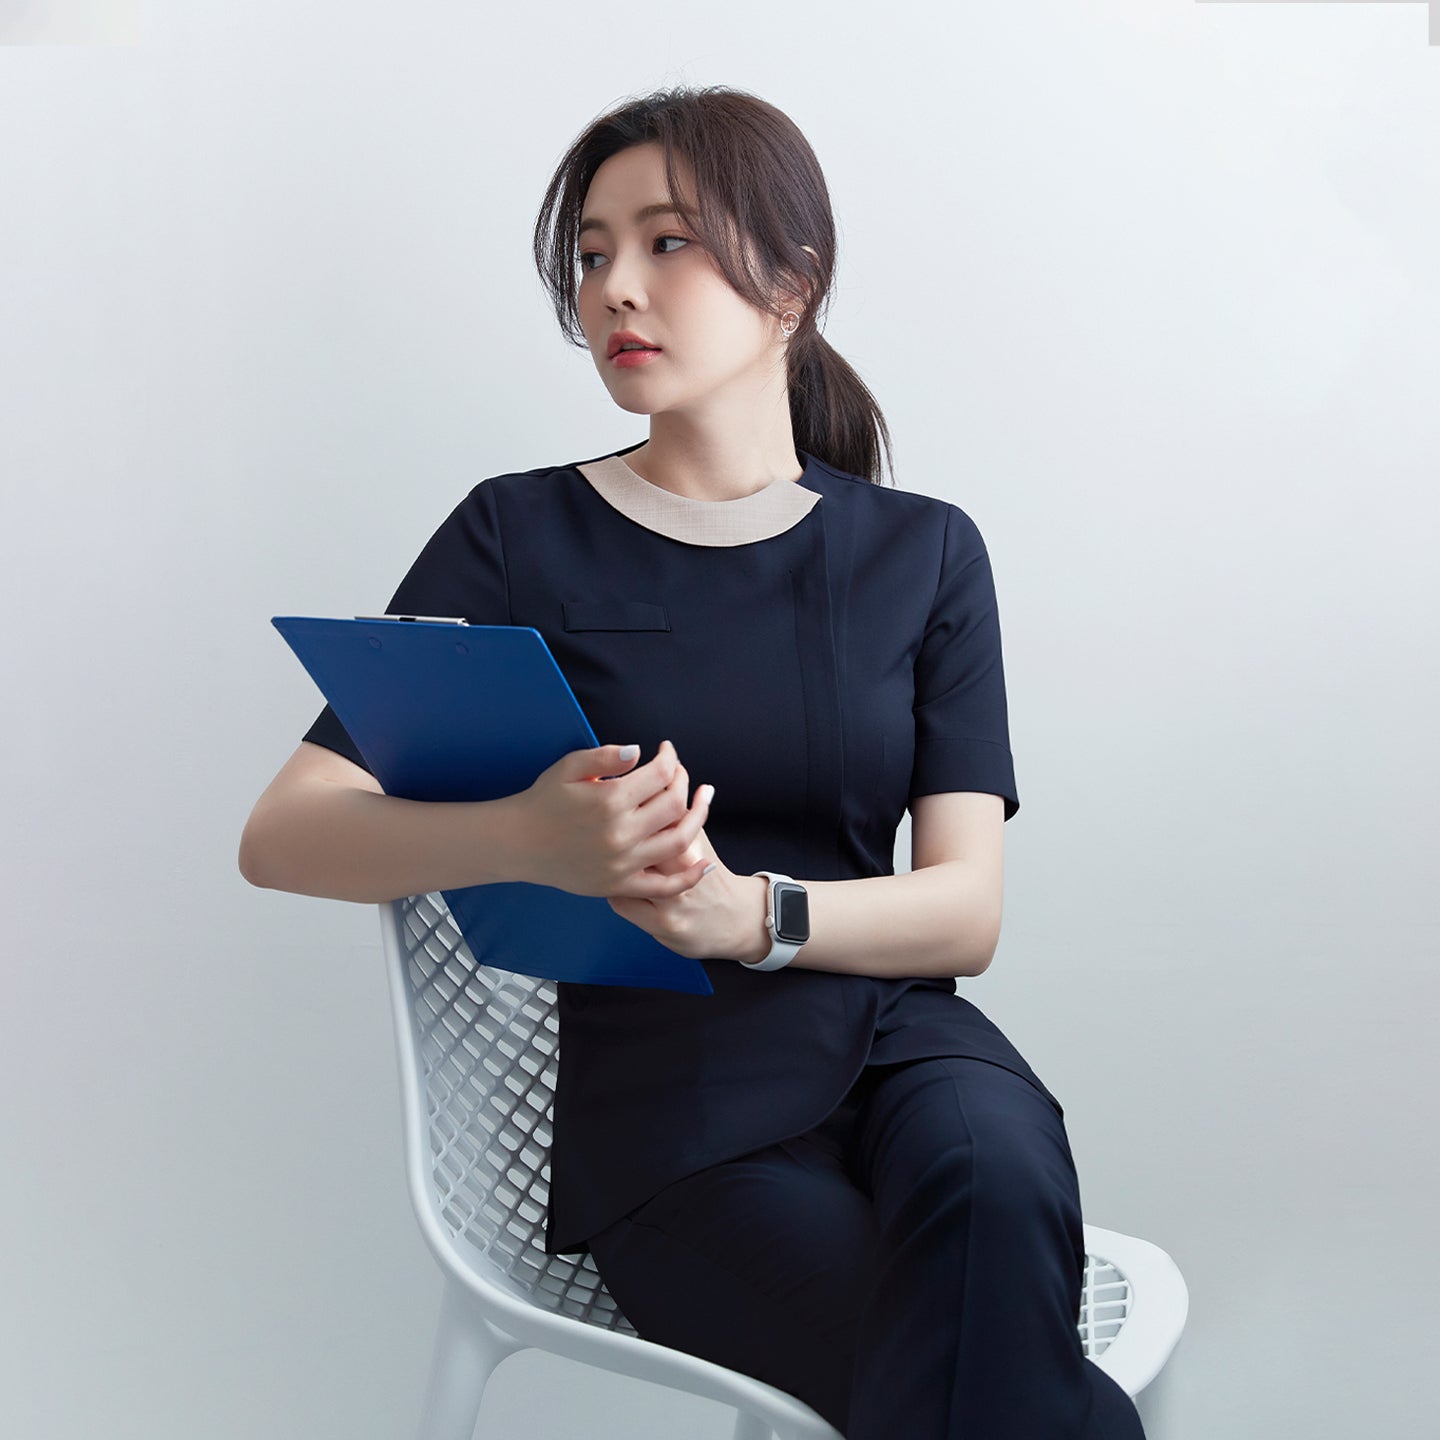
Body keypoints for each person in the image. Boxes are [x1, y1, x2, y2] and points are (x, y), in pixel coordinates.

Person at [239, 84, 1146, 1440]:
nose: (616, 286)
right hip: (676, 1114)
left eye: (668, 242)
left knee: (997, 1191)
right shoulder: (516, 537)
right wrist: (526, 837)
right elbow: (285, 833)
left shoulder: (924, 554)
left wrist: (753, 916)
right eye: (593, 253)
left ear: (793, 282)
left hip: (912, 1050)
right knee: (981, 1368)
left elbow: (966, 911)